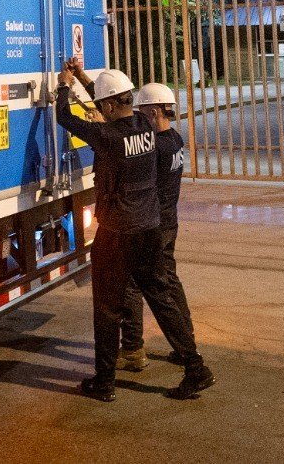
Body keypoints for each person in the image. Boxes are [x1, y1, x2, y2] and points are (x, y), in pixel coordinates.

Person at [57, 58, 213, 402]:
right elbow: (113, 104)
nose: (102, 110)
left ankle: (105, 381)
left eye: (104, 105)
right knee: (159, 296)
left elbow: (64, 117)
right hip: (150, 227)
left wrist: (63, 85)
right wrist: (85, 79)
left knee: (107, 307)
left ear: (111, 105)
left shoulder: (106, 135)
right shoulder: (145, 124)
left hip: (117, 232)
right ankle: (195, 367)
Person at [116, 83, 192, 372]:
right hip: (169, 222)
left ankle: (133, 349)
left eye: (143, 110)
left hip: (155, 226)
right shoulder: (174, 140)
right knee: (170, 280)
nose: (138, 116)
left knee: (133, 285)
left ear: (155, 110)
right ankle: (186, 343)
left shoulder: (156, 147)